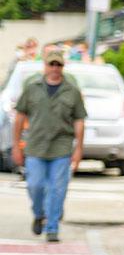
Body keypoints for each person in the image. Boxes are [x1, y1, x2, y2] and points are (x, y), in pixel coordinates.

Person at [12, 49, 87, 243]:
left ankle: (52, 227)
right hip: (35, 146)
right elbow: (20, 117)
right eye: (51, 64)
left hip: (61, 147)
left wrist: (78, 148)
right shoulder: (32, 88)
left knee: (58, 188)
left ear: (62, 67)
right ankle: (39, 213)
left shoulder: (72, 91)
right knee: (35, 185)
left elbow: (79, 120)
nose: (54, 68)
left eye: (58, 65)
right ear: (45, 66)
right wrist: (16, 146)